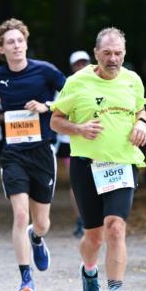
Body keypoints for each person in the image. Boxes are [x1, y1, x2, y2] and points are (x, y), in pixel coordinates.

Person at [50, 27, 146, 291]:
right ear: (96, 54)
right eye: (107, 53)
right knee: (94, 236)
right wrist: (78, 129)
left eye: (118, 53)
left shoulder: (133, 80)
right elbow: (55, 120)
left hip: (122, 163)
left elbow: (140, 111)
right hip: (86, 165)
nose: (113, 58)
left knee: (115, 228)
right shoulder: (77, 82)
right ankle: (89, 269)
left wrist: (142, 124)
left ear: (124, 53)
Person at [0, 18, 66, 291]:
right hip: (13, 153)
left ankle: (37, 237)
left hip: (42, 151)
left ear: (26, 43)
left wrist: (47, 105)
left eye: (20, 40)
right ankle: (25, 279)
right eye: (10, 42)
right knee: (20, 214)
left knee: (41, 222)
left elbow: (73, 95)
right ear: (2, 49)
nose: (16, 46)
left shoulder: (45, 71)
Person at [54, 50, 92, 237]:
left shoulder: (97, 83)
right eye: (77, 64)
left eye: (84, 62)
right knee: (77, 183)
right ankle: (80, 220)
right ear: (72, 66)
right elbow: (57, 113)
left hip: (95, 140)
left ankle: (93, 220)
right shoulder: (65, 85)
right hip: (69, 141)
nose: (81, 66)